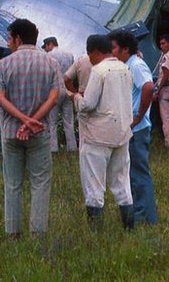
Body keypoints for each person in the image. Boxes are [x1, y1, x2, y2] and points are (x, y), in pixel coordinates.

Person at [0, 19, 62, 237]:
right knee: (40, 182)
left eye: (9, 37)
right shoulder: (50, 63)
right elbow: (55, 96)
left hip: (10, 133)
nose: (8, 41)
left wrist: (23, 120)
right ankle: (37, 233)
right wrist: (33, 120)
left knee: (12, 184)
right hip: (39, 132)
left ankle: (13, 232)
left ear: (18, 39)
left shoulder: (3, 64)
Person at [72, 34, 135, 230]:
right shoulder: (125, 69)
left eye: (89, 54)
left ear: (96, 52)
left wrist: (75, 97)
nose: (89, 59)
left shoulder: (98, 71)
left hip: (98, 136)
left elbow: (88, 104)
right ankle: (129, 228)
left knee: (94, 185)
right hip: (122, 133)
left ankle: (96, 233)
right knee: (122, 184)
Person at [109, 29, 158, 225]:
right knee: (131, 174)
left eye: (113, 48)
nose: (111, 52)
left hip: (137, 130)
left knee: (139, 174)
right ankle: (141, 214)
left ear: (125, 49)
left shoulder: (136, 65)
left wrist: (138, 116)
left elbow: (148, 87)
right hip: (130, 129)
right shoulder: (126, 65)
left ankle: (146, 217)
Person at [42, 36, 77, 152]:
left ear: (50, 44)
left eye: (46, 47)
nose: (45, 49)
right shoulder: (69, 55)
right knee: (69, 121)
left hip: (54, 90)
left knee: (52, 122)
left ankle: (53, 149)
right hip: (68, 89)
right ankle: (72, 148)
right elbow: (72, 74)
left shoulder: (48, 56)